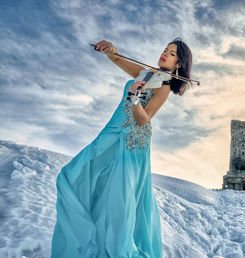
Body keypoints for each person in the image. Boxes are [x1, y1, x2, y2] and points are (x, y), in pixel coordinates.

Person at [50, 38, 193, 257]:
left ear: (179, 64)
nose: (164, 53)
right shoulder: (146, 74)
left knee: (118, 202)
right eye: (165, 49)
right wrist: (111, 50)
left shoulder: (163, 87)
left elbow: (143, 119)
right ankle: (87, 245)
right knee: (69, 176)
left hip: (132, 143)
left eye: (172, 53)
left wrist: (134, 99)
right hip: (110, 134)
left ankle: (116, 251)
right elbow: (116, 58)